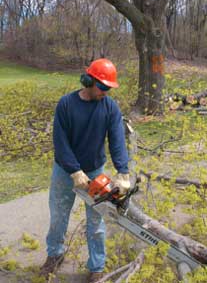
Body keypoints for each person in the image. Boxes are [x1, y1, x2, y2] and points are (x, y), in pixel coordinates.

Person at [40, 58, 130, 283]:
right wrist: (74, 170)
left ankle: (96, 267)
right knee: (59, 217)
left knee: (96, 221)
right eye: (102, 87)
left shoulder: (110, 107)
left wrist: (123, 172)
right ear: (88, 81)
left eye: (109, 88)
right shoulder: (66, 104)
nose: (106, 92)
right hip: (64, 171)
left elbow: (117, 140)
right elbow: (60, 143)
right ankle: (55, 255)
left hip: (95, 169)